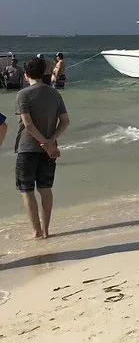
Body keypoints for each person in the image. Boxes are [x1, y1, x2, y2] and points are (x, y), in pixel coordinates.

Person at [14, 57, 70, 239]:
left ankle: (36, 231)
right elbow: (65, 121)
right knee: (45, 188)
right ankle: (46, 230)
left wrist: (45, 143)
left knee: (26, 189)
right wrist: (50, 141)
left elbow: (28, 125)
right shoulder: (54, 93)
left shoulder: (23, 94)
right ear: (45, 71)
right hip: (49, 149)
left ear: (26, 74)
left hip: (27, 148)